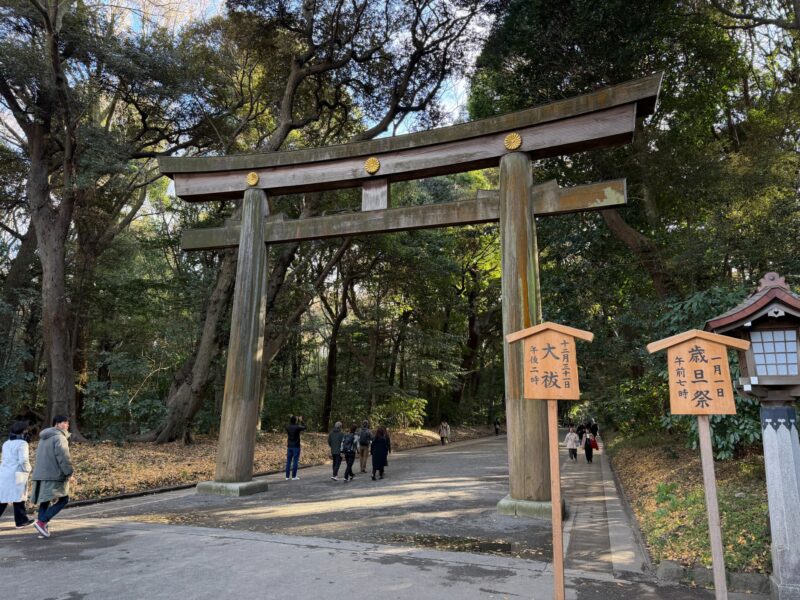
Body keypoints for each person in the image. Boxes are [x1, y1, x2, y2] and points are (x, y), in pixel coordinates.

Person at [30, 415, 75, 538]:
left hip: (41, 474)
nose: (67, 425)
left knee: (45, 501)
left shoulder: (44, 438)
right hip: (54, 475)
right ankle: (42, 521)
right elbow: (63, 458)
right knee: (64, 499)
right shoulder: (60, 437)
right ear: (57, 424)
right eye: (64, 423)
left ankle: (42, 527)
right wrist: (69, 473)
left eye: (67, 423)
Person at [0, 420, 33, 529]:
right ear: (22, 431)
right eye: (26, 430)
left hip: (4, 473)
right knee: (19, 497)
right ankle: (21, 521)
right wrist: (28, 469)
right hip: (17, 473)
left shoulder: (6, 443)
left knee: (3, 499)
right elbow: (23, 460)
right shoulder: (22, 444)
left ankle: (22, 520)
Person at [285, 415, 306, 480]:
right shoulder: (297, 427)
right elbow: (305, 427)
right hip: (296, 446)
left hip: (289, 446)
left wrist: (293, 418)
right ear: (296, 421)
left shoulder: (287, 427)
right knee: (295, 461)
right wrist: (301, 420)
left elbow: (288, 425)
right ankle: (294, 476)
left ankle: (287, 476)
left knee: (288, 461)